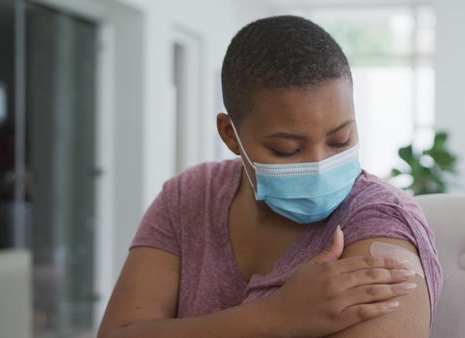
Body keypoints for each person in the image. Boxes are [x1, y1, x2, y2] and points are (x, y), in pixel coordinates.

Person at [98, 15, 442, 338]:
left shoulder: (381, 222)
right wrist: (271, 318)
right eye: (287, 149)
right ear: (230, 135)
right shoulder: (190, 195)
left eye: (340, 139)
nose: (320, 165)